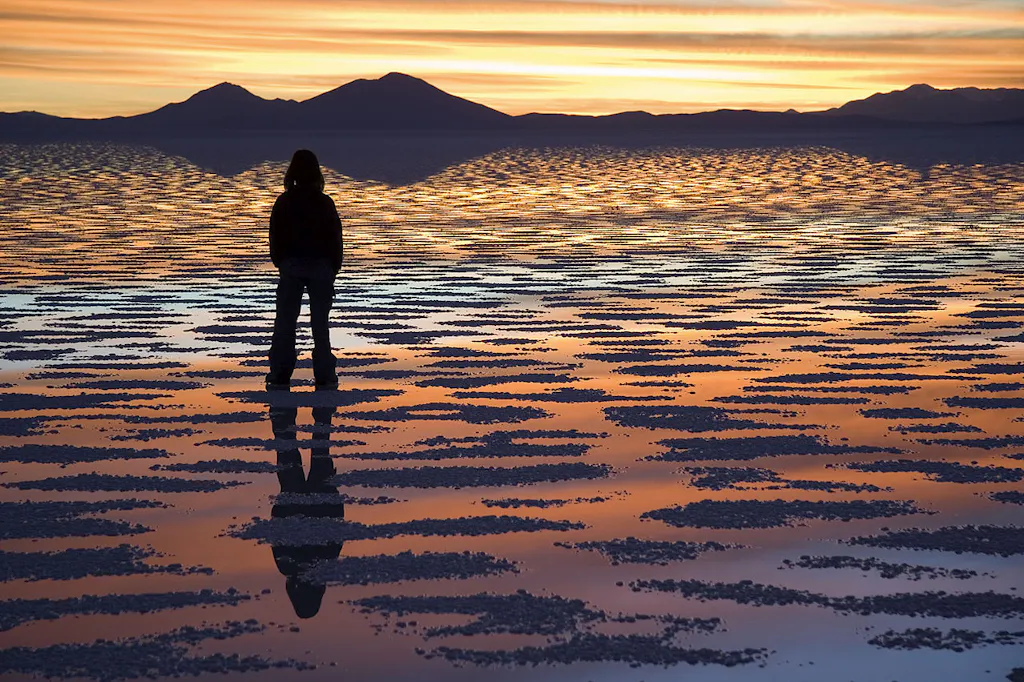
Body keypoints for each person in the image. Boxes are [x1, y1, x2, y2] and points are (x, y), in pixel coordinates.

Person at [266, 149, 343, 389]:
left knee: (285, 325)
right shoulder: (324, 202)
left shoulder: (284, 201)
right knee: (320, 326)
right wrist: (332, 269)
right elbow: (335, 239)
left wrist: (281, 262)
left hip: (292, 267)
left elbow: (274, 237)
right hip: (320, 268)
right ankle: (325, 375)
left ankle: (280, 374)